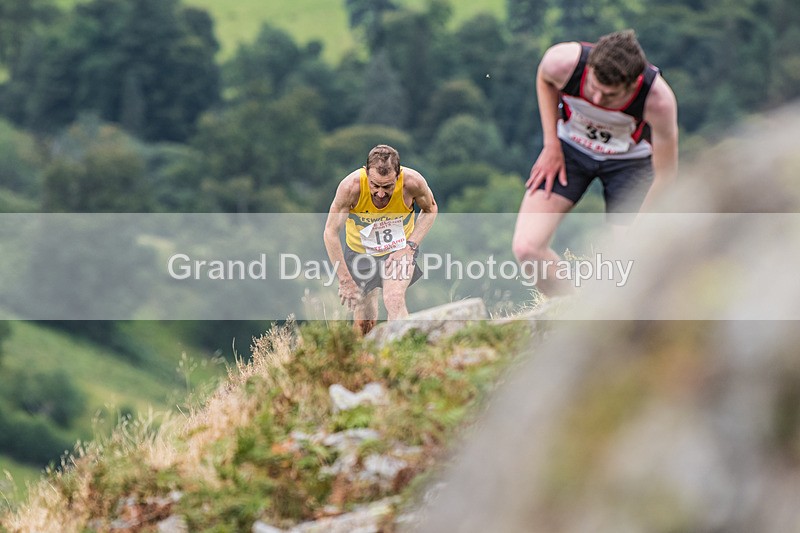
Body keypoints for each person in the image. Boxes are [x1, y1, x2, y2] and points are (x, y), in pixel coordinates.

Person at [512, 29, 678, 295]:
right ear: (588, 68)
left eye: (610, 96)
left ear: (634, 84)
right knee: (527, 248)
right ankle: (569, 310)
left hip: (629, 163)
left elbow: (666, 173)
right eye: (594, 89)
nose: (599, 100)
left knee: (630, 257)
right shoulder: (562, 62)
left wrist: (643, 222)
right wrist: (551, 144)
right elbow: (544, 78)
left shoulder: (658, 101)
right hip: (569, 151)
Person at [324, 144, 438, 334]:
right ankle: (365, 361)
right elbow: (330, 232)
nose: (380, 193)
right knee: (364, 324)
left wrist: (410, 246)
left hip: (398, 250)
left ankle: (402, 355)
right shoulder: (350, 187)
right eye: (375, 185)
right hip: (360, 254)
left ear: (398, 175)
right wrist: (345, 281)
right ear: (366, 173)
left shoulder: (413, 182)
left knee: (394, 298)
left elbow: (431, 208)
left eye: (388, 186)